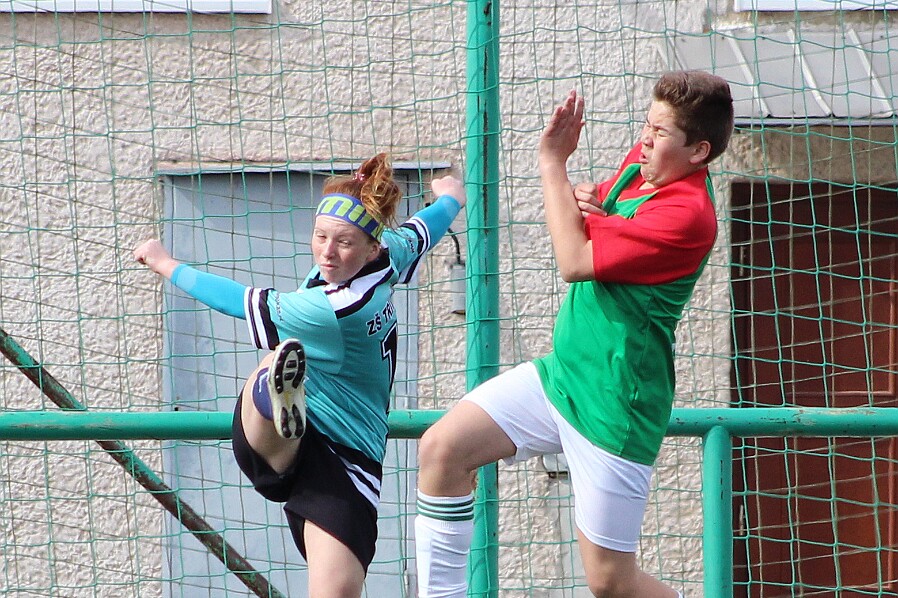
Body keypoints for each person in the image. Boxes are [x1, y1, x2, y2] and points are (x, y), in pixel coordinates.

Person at [414, 70, 734, 598]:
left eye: (660, 133)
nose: (645, 139)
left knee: (610, 582)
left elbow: (575, 257)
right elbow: (590, 211)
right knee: (442, 449)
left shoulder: (689, 215)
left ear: (699, 151)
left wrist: (553, 164)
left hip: (615, 404)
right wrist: (583, 198)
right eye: (646, 125)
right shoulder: (641, 164)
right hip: (560, 377)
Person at [133, 153, 466, 598]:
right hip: (338, 459)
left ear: (369, 246)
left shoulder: (333, 309)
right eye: (321, 235)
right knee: (275, 373)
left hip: (346, 456)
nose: (328, 251)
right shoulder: (389, 258)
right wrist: (451, 199)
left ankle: (278, 394)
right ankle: (277, 397)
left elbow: (236, 299)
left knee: (338, 592)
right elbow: (425, 228)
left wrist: (163, 262)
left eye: (343, 242)